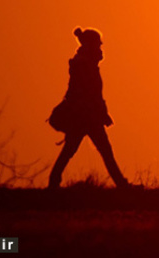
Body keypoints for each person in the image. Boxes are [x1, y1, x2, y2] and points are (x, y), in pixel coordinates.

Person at [48, 27, 129, 189]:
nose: (100, 49)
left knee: (72, 151)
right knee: (104, 151)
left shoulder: (85, 64)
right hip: (86, 117)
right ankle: (122, 186)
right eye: (98, 46)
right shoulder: (83, 66)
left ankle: (53, 182)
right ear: (91, 46)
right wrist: (100, 114)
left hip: (87, 117)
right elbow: (89, 94)